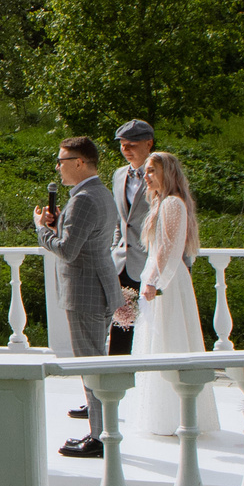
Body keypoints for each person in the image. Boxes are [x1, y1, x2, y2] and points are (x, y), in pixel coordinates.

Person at [118, 151, 219, 438]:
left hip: (168, 283)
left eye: (152, 170)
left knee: (169, 339)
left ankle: (174, 415)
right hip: (160, 279)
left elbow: (168, 248)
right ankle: (159, 415)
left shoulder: (173, 203)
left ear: (168, 173)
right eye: (146, 171)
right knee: (156, 341)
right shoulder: (161, 203)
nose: (146, 175)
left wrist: (154, 282)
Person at [37, 136, 123, 457]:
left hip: (86, 290)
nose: (58, 167)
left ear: (79, 162)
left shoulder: (84, 199)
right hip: (99, 285)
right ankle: (100, 427)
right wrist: (61, 223)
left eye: (61, 161)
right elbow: (91, 238)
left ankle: (98, 438)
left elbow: (68, 250)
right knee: (95, 361)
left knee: (91, 365)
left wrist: (42, 229)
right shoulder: (100, 193)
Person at [110, 120, 157, 358]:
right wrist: (113, 250)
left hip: (149, 262)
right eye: (122, 145)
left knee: (150, 326)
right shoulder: (119, 175)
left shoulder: (161, 173)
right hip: (121, 262)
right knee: (121, 325)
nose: (126, 149)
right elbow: (121, 220)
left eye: (132, 144)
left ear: (148, 144)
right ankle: (117, 378)